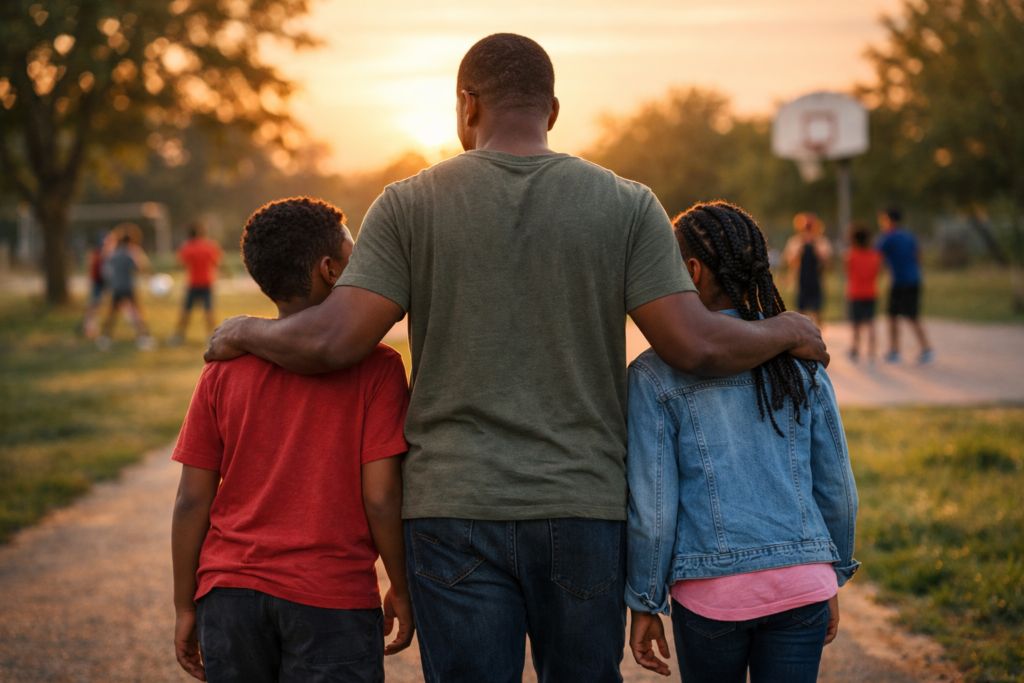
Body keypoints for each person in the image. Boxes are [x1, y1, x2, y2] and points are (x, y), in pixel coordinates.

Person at [204, 33, 828, 682]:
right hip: (581, 506)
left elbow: (333, 339)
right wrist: (783, 329)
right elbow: (694, 344)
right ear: (552, 112)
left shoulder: (407, 204)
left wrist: (245, 329)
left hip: (453, 510)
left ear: (466, 104)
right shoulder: (627, 204)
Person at [171, 197, 414, 683]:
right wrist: (401, 586)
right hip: (331, 600)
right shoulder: (378, 367)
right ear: (330, 270)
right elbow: (382, 497)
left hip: (228, 593)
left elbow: (191, 500)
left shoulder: (223, 370)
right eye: (356, 258)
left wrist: (184, 605)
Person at [626, 202, 859, 683]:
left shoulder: (653, 374)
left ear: (690, 271)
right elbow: (838, 488)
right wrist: (826, 570)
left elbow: (654, 507)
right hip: (803, 586)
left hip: (712, 597)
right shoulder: (802, 360)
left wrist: (645, 599)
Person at [877, 206, 934, 364]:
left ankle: (896, 351)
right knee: (913, 316)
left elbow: (877, 257)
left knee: (893, 316)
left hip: (899, 282)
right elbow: (918, 256)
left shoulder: (887, 237)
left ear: (888, 220)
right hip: (914, 279)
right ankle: (926, 349)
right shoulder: (909, 236)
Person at [97, 224, 155, 351]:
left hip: (117, 288)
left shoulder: (112, 254)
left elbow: (106, 271)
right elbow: (140, 268)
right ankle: (144, 338)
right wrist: (150, 277)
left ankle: (105, 339)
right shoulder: (130, 254)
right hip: (128, 287)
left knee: (111, 315)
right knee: (137, 314)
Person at [169, 221, 223, 347]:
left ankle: (178, 336)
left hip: (193, 283)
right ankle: (211, 337)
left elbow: (180, 264)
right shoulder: (210, 246)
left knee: (185, 312)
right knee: (209, 312)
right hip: (207, 283)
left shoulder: (187, 247)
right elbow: (216, 263)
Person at [783, 213, 833, 326]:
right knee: (801, 308)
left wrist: (818, 254)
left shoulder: (821, 242)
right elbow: (789, 261)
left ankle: (819, 332)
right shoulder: (795, 242)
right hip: (801, 280)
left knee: (817, 308)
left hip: (816, 279)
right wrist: (799, 253)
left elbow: (827, 264)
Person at [845, 221, 883, 363]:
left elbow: (848, 271)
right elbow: (877, 272)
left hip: (855, 293)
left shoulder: (850, 255)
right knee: (871, 322)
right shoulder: (875, 255)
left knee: (856, 323)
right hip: (871, 292)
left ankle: (855, 349)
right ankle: (872, 352)